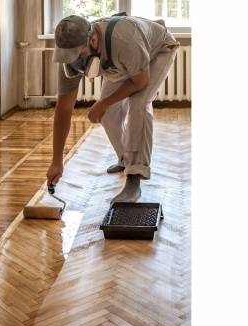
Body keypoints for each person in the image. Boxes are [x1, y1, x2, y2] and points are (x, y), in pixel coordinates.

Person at [46, 14, 179, 202]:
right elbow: (64, 110)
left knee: (139, 103)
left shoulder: (125, 39)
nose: (76, 63)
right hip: (123, 59)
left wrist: (104, 102)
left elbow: (140, 82)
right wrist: (56, 161)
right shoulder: (68, 55)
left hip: (158, 50)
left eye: (80, 55)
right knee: (107, 114)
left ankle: (135, 178)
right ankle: (126, 159)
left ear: (93, 39)